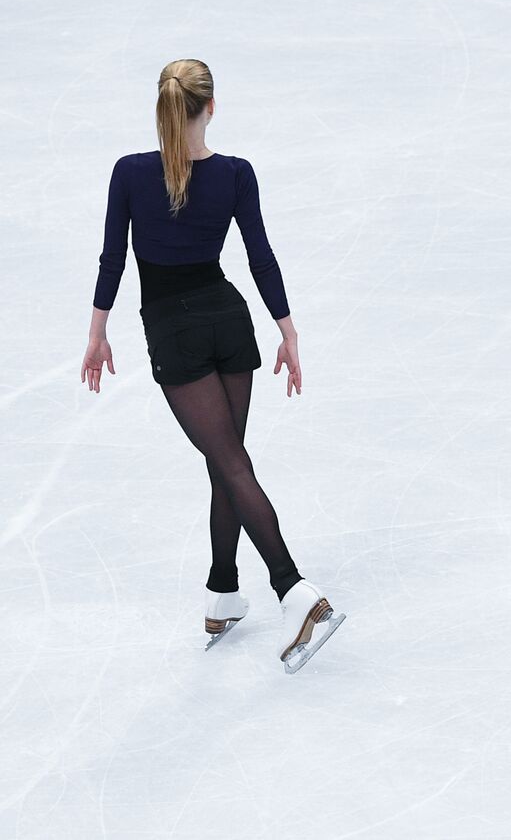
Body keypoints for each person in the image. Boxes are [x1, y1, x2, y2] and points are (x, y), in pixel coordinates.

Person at [79, 59, 343, 671]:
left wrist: (97, 334)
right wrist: (287, 330)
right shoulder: (235, 174)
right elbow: (260, 256)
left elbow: (112, 258)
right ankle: (223, 590)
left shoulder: (130, 174)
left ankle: (292, 588)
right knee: (228, 464)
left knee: (227, 461)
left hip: (175, 333)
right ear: (211, 108)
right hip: (229, 320)